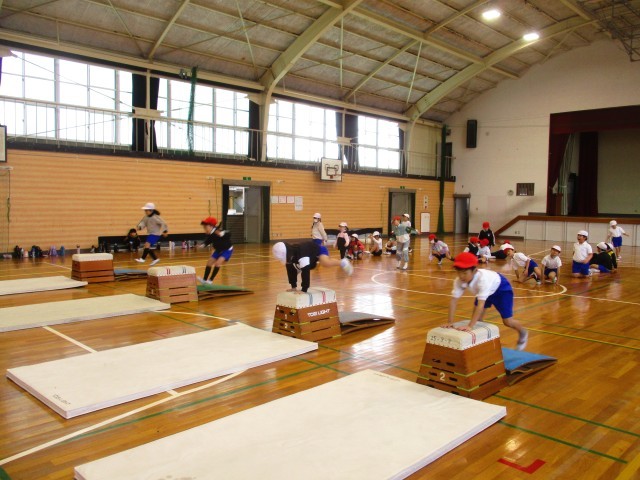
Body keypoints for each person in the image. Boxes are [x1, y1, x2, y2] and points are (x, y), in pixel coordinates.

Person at [444, 252, 528, 351]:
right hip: (485, 290)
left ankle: (523, 333)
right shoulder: (459, 281)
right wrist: (450, 322)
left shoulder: (482, 280)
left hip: (501, 289)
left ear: (474, 270)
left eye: (465, 273)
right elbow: (453, 301)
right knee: (478, 320)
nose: (461, 276)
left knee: (508, 322)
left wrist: (470, 326)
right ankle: (482, 343)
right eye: (459, 272)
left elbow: (480, 305)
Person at [272, 241, 353, 292]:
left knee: (325, 263)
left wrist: (304, 290)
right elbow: (290, 271)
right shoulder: (290, 257)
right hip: (309, 256)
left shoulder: (301, 255)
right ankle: (298, 268)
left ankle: (342, 262)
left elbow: (306, 272)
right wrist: (293, 287)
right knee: (291, 267)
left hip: (318, 251)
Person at [198, 217, 233, 285]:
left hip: (226, 250)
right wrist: (203, 245)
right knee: (209, 263)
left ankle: (210, 280)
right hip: (218, 250)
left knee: (217, 263)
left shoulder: (218, 231)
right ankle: (204, 280)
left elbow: (229, 233)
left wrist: (222, 233)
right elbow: (208, 241)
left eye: (205, 227)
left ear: (211, 226)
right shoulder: (210, 234)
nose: (204, 228)